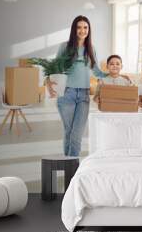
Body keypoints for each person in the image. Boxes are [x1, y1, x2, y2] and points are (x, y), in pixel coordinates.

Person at [46, 15, 108, 157]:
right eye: (79, 27)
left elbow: (97, 71)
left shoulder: (91, 49)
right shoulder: (65, 47)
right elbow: (54, 68)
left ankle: (71, 169)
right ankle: (70, 168)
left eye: (85, 27)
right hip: (66, 94)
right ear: (74, 29)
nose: (82, 30)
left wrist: (113, 75)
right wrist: (47, 80)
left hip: (84, 96)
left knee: (76, 134)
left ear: (88, 30)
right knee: (69, 132)